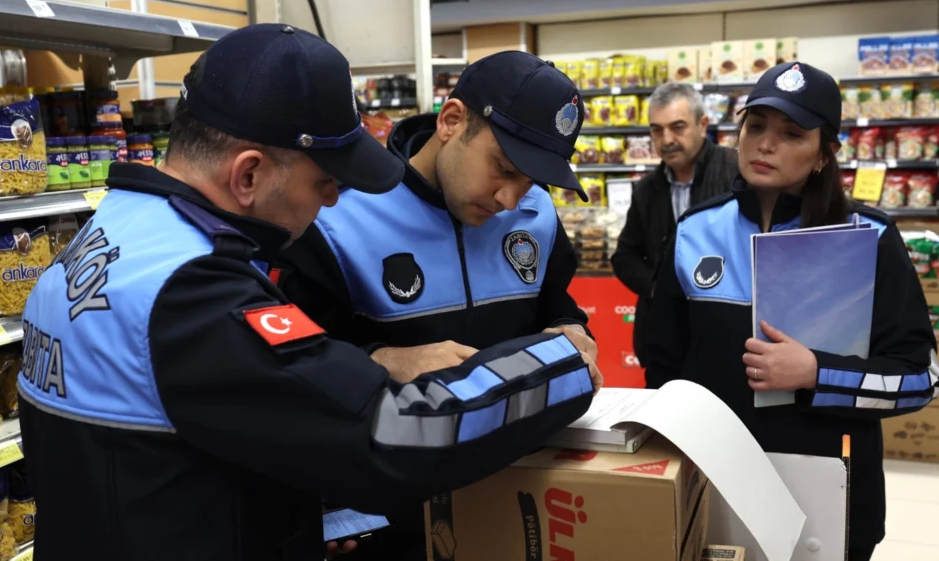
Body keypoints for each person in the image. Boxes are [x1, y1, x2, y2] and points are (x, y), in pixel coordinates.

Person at [17, 24, 598, 561]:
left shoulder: (113, 236)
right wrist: (565, 365)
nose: (333, 203)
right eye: (325, 182)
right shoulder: (191, 293)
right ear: (248, 174)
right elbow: (391, 434)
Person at [273, 51, 603, 560]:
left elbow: (555, 300)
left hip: (514, 496)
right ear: (452, 121)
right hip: (390, 513)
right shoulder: (339, 216)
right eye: (504, 168)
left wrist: (568, 327)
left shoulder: (535, 214)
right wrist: (382, 359)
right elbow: (289, 371)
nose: (511, 198)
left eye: (532, 180)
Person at [644, 61, 939, 561]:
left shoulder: (869, 239)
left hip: (830, 492)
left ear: (825, 154)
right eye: (755, 126)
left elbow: (919, 379)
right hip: (716, 484)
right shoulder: (695, 231)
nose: (765, 144)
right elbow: (661, 365)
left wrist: (817, 373)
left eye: (792, 133)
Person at [610, 82, 737, 364]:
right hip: (664, 339)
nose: (666, 139)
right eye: (657, 130)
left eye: (678, 127)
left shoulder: (737, 174)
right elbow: (624, 255)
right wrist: (658, 287)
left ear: (703, 125)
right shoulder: (647, 188)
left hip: (726, 334)